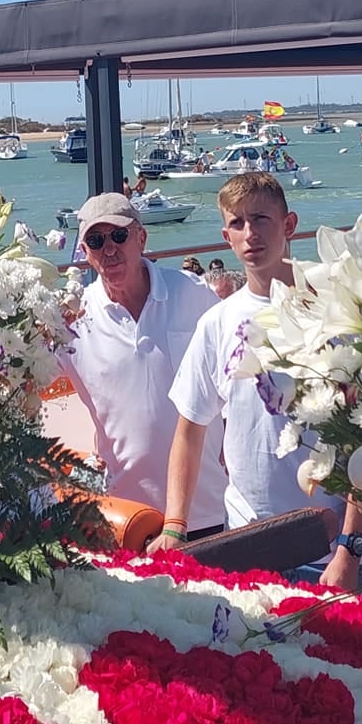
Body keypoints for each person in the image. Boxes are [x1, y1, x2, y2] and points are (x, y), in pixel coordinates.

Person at [158, 173, 362, 581]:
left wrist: (350, 548)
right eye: (237, 223)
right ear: (226, 235)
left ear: (289, 225)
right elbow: (190, 428)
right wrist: (173, 526)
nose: (250, 234)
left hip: (331, 546)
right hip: (249, 539)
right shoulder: (217, 323)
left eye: (261, 219)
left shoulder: (337, 313)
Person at [58, 195, 227, 537]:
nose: (109, 249)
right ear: (85, 252)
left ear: (141, 238)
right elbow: (23, 377)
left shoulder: (195, 294)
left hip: (210, 510)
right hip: (129, 520)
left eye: (118, 236)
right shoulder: (73, 321)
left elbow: (234, 379)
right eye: (96, 240)